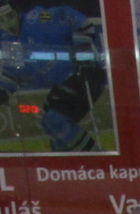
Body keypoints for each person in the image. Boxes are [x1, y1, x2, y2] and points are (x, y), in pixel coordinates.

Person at [0, 1, 107, 151]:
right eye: (1, 20)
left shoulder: (38, 19)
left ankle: (99, 160)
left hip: (85, 75)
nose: (8, 24)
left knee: (54, 120)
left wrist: (84, 56)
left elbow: (79, 22)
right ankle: (75, 170)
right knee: (56, 137)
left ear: (15, 12)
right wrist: (3, 91)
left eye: (9, 16)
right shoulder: (5, 40)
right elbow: (13, 73)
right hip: (63, 84)